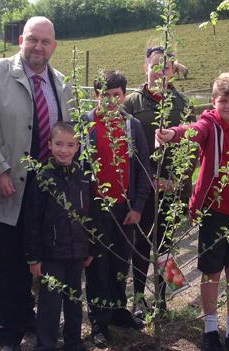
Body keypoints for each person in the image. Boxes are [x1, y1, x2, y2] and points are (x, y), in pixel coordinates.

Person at [0, 16, 72, 350]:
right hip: (8, 185)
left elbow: (69, 134)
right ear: (20, 40)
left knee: (39, 256)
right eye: (32, 39)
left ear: (54, 46)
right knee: (9, 262)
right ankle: (8, 332)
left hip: (48, 191)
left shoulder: (62, 83)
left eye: (45, 41)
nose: (38, 47)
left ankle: (29, 317)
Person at [156, 68, 229, 351]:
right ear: (213, 101)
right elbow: (194, 131)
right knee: (211, 273)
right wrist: (173, 133)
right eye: (223, 101)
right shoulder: (211, 124)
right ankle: (210, 328)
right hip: (213, 213)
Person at [84, 70, 151, 349]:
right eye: (105, 95)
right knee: (98, 262)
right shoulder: (87, 124)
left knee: (121, 261)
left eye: (116, 95)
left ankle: (117, 309)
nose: (110, 101)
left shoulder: (131, 125)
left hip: (125, 207)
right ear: (96, 95)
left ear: (124, 96)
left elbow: (144, 168)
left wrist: (137, 206)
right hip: (97, 207)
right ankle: (98, 319)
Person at [122, 45, 190, 318]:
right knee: (140, 245)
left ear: (173, 70)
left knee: (165, 246)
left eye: (167, 67)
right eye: (156, 66)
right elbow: (124, 148)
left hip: (171, 191)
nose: (161, 72)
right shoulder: (132, 103)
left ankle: (162, 300)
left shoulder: (183, 104)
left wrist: (178, 182)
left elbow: (192, 146)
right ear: (145, 68)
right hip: (141, 191)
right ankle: (139, 299)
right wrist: (145, 180)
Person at [24, 121, 94, 351]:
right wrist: (34, 257)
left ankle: (73, 342)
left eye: (70, 145)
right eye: (59, 144)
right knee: (50, 303)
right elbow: (32, 220)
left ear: (78, 147)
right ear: (50, 145)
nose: (64, 150)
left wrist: (90, 248)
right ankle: (46, 344)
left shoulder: (84, 178)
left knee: (74, 300)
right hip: (52, 253)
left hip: (77, 252)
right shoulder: (43, 178)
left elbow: (90, 216)